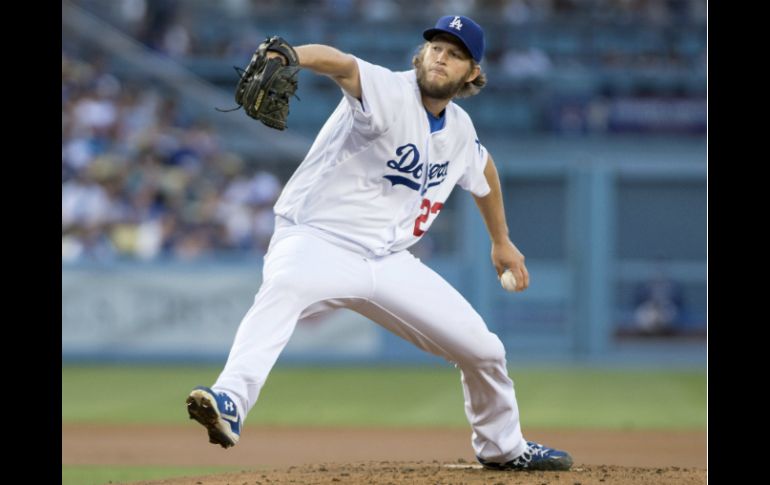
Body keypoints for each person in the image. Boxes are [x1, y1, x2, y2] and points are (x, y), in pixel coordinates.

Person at [186, 15, 573, 471]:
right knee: (282, 291)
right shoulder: (390, 91)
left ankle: (504, 447)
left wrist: (501, 241)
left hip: (390, 261)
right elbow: (342, 65)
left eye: (455, 54)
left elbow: (483, 170)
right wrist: (290, 54)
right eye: (436, 48)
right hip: (317, 238)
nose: (441, 57)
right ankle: (230, 399)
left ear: (472, 73)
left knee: (484, 350)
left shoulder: (460, 129)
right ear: (422, 53)